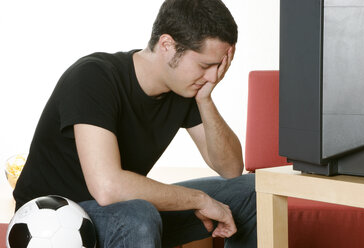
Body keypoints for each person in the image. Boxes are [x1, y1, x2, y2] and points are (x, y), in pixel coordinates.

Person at [13, 0, 257, 247]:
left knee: (253, 191)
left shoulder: (185, 90)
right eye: (205, 65)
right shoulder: (94, 77)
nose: (214, 76)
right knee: (139, 216)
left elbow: (232, 169)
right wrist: (199, 200)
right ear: (167, 45)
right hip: (53, 219)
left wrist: (205, 98)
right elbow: (107, 187)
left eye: (219, 66)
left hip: (124, 209)